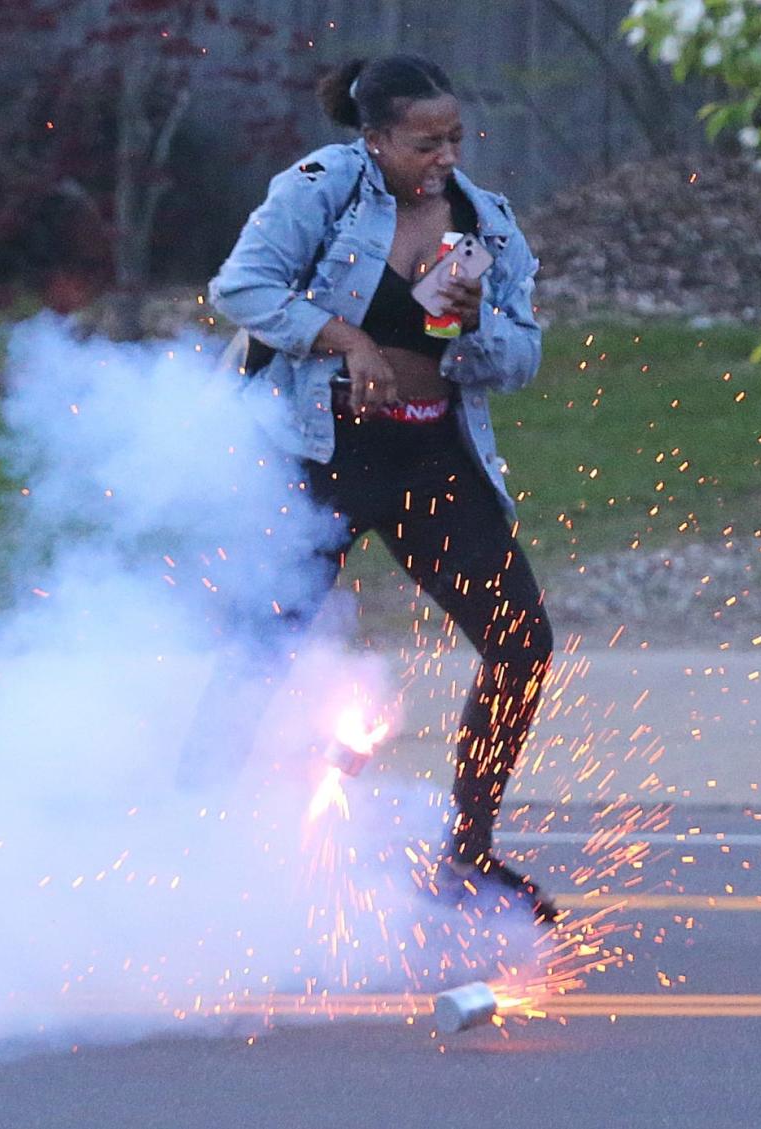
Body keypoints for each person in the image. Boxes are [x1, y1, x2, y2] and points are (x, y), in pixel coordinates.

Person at [196, 55, 556, 923]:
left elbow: (523, 355)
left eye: (455, 139)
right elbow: (241, 286)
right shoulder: (321, 189)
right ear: (376, 138)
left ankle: (467, 854)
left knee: (523, 645)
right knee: (259, 653)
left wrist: (469, 325)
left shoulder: (484, 223)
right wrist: (344, 340)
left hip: (429, 460)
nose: (444, 157)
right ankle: (183, 841)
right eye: (424, 142)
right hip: (318, 456)